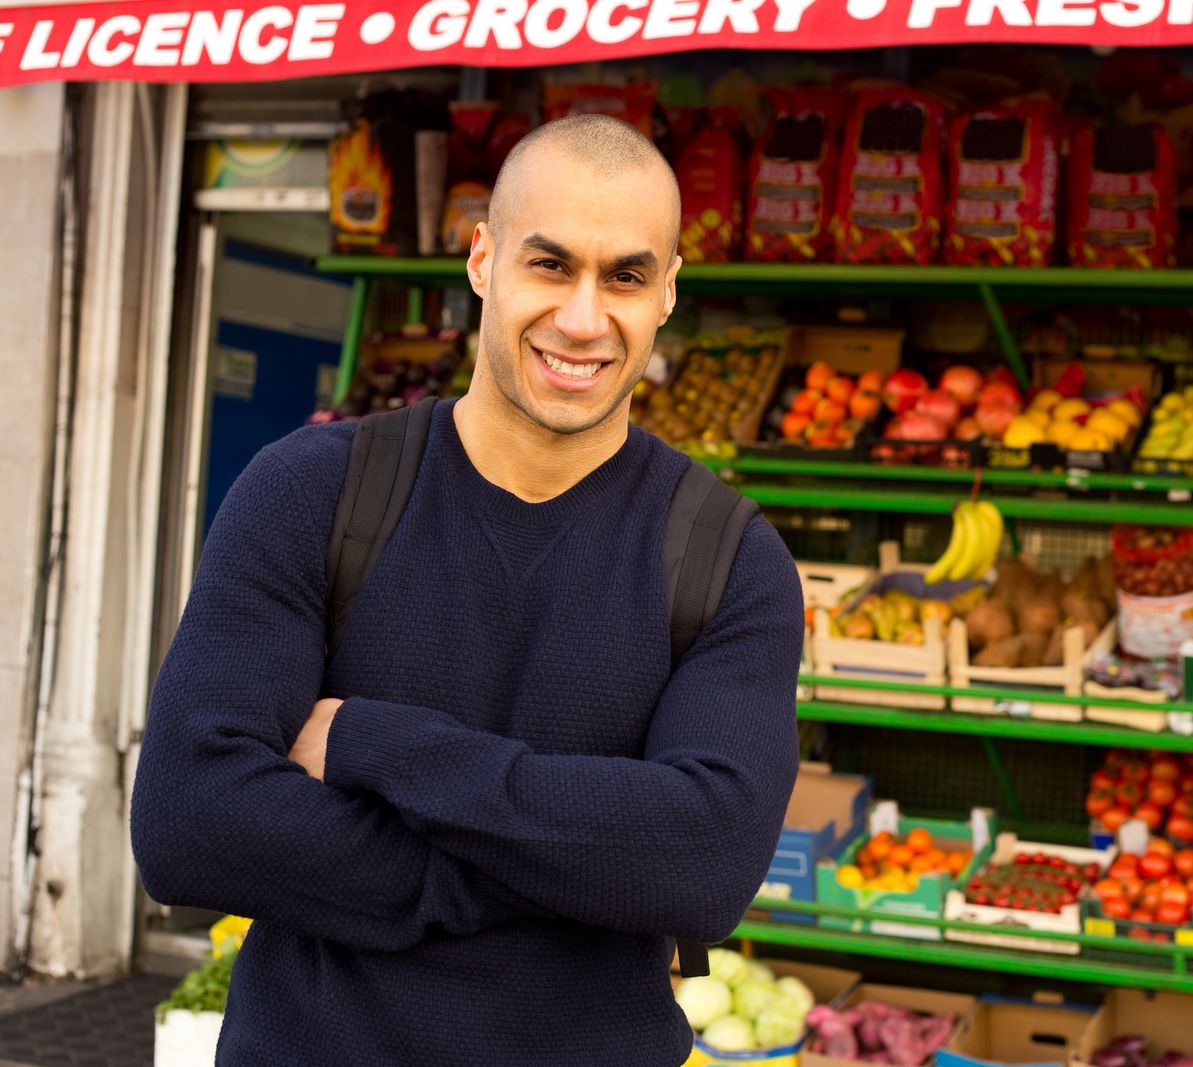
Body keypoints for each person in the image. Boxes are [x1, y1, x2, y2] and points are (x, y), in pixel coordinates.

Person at [130, 115, 803, 1066]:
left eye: (624, 276)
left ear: (667, 294)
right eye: (549, 263)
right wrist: (557, 872)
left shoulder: (728, 559)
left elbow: (701, 867)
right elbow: (188, 822)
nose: (582, 317)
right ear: (482, 259)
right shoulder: (314, 492)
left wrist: (374, 741)